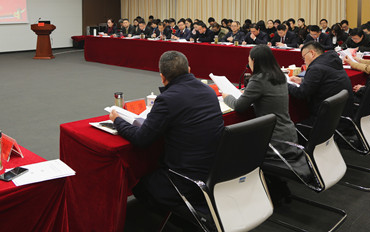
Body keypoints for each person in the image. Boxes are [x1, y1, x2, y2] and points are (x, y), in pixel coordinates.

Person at [109, 51, 224, 214]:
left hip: (186, 181)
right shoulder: (209, 91)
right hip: (216, 172)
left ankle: (178, 217)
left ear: (162, 77)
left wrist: (117, 120)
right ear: (189, 70)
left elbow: (141, 139)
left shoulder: (167, 99)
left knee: (139, 185)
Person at [223, 45, 298, 160]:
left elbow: (239, 106)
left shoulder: (259, 79)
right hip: (289, 134)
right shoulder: (280, 75)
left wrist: (227, 97)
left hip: (274, 141)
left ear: (253, 61)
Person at [288, 42, 353, 123]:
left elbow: (301, 93)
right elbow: (324, 81)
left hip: (325, 119)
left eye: (304, 57)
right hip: (342, 115)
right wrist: (301, 80)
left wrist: (285, 84)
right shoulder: (330, 61)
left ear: (312, 53)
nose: (304, 61)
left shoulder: (316, 68)